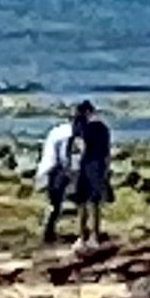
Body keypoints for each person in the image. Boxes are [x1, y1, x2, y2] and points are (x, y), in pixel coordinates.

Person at [71, 101, 113, 244]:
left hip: (85, 165)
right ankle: (94, 236)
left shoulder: (80, 126)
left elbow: (80, 148)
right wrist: (107, 171)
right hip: (98, 165)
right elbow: (107, 152)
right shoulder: (102, 128)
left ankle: (82, 236)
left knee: (82, 202)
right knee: (94, 203)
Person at [35, 111, 77, 243]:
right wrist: (69, 172)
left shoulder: (58, 130)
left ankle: (48, 232)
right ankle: (48, 233)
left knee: (53, 204)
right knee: (55, 205)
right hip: (55, 170)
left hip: (47, 169)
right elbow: (64, 155)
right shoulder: (69, 133)